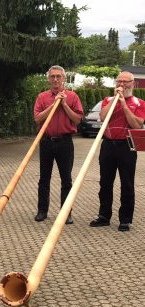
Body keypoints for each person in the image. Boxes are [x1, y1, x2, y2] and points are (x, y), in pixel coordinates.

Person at [89, 71, 145, 232]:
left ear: (133, 84)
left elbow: (137, 125)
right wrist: (115, 100)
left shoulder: (139, 103)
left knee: (127, 183)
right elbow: (102, 116)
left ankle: (125, 219)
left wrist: (124, 105)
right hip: (108, 144)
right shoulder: (107, 100)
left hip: (127, 146)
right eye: (118, 81)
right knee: (105, 183)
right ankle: (104, 216)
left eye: (125, 82)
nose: (121, 84)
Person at [34, 65, 84, 224]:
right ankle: (42, 211)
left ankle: (66, 212)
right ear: (49, 79)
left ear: (64, 78)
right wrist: (53, 104)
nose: (55, 79)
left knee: (66, 179)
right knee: (44, 178)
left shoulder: (73, 96)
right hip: (47, 141)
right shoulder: (42, 97)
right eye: (52, 76)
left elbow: (77, 120)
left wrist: (64, 104)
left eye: (58, 76)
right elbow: (38, 119)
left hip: (65, 142)